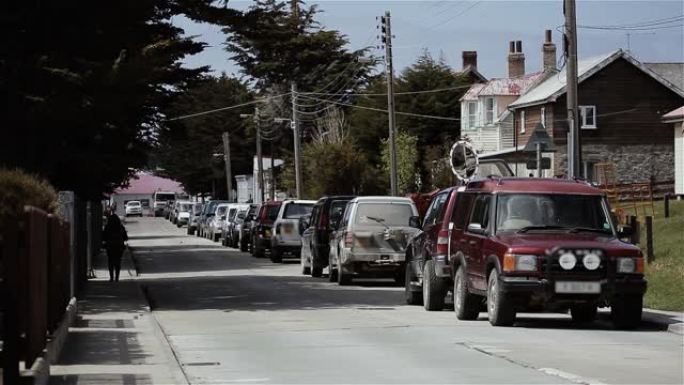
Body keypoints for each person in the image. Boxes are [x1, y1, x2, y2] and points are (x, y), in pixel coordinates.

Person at [103, 213, 128, 282]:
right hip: (119, 246)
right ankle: (117, 278)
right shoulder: (120, 227)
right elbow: (125, 237)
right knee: (118, 262)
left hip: (110, 246)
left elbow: (103, 237)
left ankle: (111, 277)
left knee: (110, 261)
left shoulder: (107, 226)